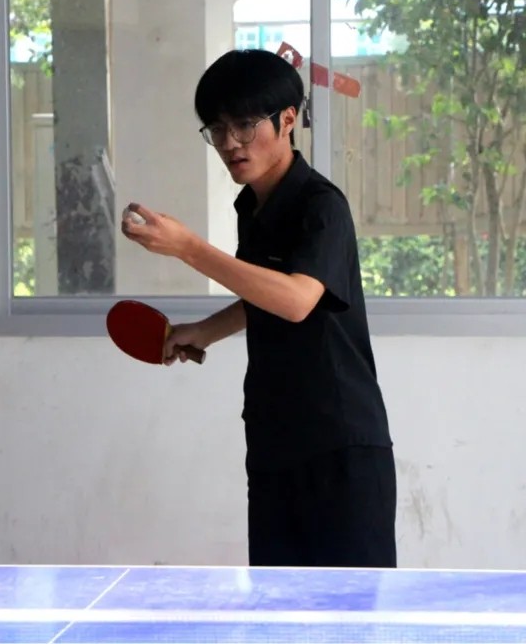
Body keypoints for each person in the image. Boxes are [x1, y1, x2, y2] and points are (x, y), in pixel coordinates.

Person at [120, 48, 396, 568]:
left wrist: (189, 248)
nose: (229, 143)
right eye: (217, 128)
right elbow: (264, 293)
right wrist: (205, 330)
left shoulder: (322, 206)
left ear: (287, 120)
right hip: (273, 442)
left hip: (340, 447)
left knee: (353, 610)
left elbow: (296, 299)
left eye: (245, 125)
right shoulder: (252, 205)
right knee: (275, 605)